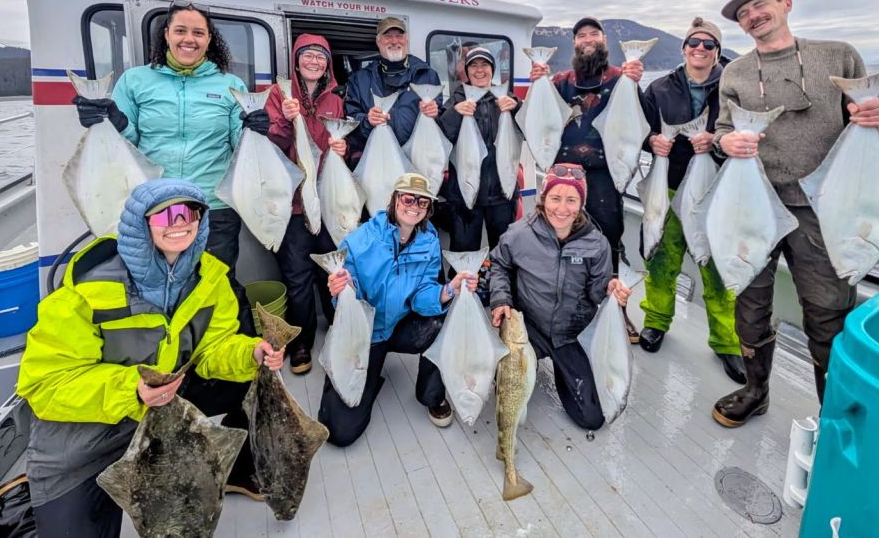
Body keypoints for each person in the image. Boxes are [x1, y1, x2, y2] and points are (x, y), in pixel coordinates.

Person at [16, 179, 285, 538]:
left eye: (190, 212)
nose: (179, 222)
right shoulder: (85, 292)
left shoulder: (210, 278)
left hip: (162, 407)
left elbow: (213, 346)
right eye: (165, 215)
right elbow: (44, 384)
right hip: (84, 433)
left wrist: (250, 352)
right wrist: (133, 390)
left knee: (252, 379)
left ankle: (230, 469)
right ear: (140, 225)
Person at [711, 0, 879, 427]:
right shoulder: (733, 72)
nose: (753, 15)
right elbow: (719, 131)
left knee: (828, 308)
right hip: (754, 202)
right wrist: (725, 140)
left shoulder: (838, 56)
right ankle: (756, 390)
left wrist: (878, 116)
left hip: (825, 207)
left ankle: (834, 411)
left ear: (786, 5)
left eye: (761, 5)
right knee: (749, 305)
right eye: (744, 13)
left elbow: (863, 121)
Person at [72, 1, 269, 335]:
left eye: (198, 33)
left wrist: (254, 128)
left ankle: (221, 351)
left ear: (209, 40)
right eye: (181, 30)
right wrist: (110, 121)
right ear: (166, 35)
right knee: (155, 286)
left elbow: (239, 145)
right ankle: (169, 353)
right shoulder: (136, 81)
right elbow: (128, 139)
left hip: (213, 205)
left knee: (216, 280)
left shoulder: (228, 84)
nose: (188, 39)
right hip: (155, 204)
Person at [317, 173, 478, 446]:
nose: (414, 206)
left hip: (401, 324)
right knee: (340, 432)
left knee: (442, 320)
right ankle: (356, 369)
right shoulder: (361, 239)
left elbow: (421, 296)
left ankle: (431, 395)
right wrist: (342, 288)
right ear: (394, 200)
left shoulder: (429, 242)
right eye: (408, 198)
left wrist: (448, 290)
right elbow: (347, 289)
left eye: (423, 202)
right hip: (365, 332)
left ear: (428, 209)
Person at [639, 18, 746, 385]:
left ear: (718, 51)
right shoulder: (658, 89)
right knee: (661, 260)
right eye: (693, 43)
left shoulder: (734, 86)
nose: (700, 49)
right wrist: (652, 141)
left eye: (708, 44)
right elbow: (638, 130)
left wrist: (714, 141)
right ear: (684, 47)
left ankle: (726, 341)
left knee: (717, 266)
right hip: (667, 184)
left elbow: (745, 134)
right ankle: (655, 322)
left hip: (716, 190)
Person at [489, 163, 632, 430]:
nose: (562, 209)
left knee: (591, 419)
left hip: (572, 334)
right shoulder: (518, 234)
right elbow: (499, 265)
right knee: (506, 390)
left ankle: (563, 369)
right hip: (529, 327)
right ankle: (522, 362)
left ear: (581, 203)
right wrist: (501, 300)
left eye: (571, 200)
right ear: (544, 199)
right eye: (555, 198)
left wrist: (609, 289)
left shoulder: (597, 243)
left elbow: (596, 290)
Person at [528, 16, 644, 342]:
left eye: (594, 33)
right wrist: (539, 80)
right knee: (558, 240)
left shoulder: (622, 79)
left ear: (604, 41)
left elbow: (641, 122)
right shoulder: (561, 82)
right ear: (574, 43)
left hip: (606, 176)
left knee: (608, 242)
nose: (588, 39)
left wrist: (635, 82)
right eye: (581, 35)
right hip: (565, 177)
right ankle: (561, 307)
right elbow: (537, 120)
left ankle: (614, 311)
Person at [265, 34, 348, 375]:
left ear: (328, 64)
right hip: (293, 202)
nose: (314, 62)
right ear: (296, 60)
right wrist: (285, 118)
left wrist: (343, 148)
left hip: (328, 201)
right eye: (308, 56)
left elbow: (341, 142)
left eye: (320, 57)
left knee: (334, 269)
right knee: (298, 276)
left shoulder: (335, 100)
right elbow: (271, 142)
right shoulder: (279, 93)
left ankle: (340, 326)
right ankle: (301, 341)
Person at [436, 46, 522, 252]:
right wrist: (455, 113)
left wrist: (517, 106)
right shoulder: (456, 99)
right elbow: (440, 138)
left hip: (502, 194)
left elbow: (529, 131)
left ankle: (500, 284)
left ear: (492, 69)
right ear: (467, 70)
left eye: (485, 65)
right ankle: (464, 284)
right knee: (464, 250)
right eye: (473, 65)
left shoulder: (505, 98)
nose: (479, 70)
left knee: (504, 250)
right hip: (465, 197)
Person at [343, 16, 443, 155]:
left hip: (418, 157)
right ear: (378, 41)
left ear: (406, 40)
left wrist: (435, 113)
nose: (394, 41)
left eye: (399, 36)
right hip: (377, 159)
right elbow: (349, 122)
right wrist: (368, 120)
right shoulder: (359, 79)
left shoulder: (427, 75)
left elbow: (442, 118)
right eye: (388, 36)